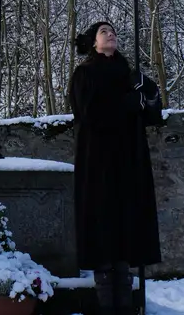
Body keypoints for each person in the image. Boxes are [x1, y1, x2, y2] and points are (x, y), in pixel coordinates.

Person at [68, 21, 162, 315]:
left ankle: (125, 304)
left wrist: (148, 96)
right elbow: (88, 114)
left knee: (126, 232)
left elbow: (152, 115)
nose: (111, 35)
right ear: (94, 42)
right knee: (104, 231)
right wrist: (126, 104)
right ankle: (106, 306)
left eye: (114, 32)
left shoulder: (130, 74)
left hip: (129, 161)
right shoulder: (85, 74)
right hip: (99, 163)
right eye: (104, 32)